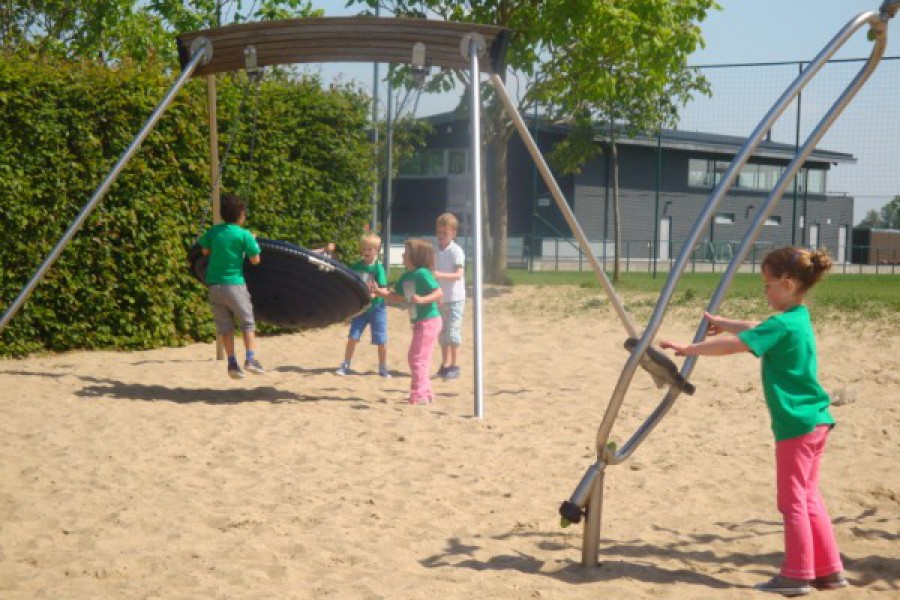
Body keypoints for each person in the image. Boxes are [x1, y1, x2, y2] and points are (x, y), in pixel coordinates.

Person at [659, 247, 845, 597]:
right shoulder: (797, 317)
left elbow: (736, 345)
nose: (765, 291)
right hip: (817, 420)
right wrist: (724, 322)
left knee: (791, 502)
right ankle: (829, 570)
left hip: (795, 424)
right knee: (809, 498)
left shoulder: (782, 324)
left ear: (787, 284)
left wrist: (689, 347)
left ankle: (797, 573)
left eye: (768, 285)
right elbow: (755, 328)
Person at [198, 194, 265, 380]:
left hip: (214, 286)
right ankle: (251, 359)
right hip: (234, 284)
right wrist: (251, 241)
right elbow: (256, 260)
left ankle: (232, 363)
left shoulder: (213, 232)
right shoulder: (244, 235)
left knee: (225, 327)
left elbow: (204, 251)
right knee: (247, 323)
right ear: (241, 215)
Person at [375, 238, 443, 405]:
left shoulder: (422, 273)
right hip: (420, 322)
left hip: (429, 320)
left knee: (417, 358)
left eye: (406, 253)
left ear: (416, 256)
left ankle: (419, 394)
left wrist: (422, 299)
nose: (403, 255)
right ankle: (425, 392)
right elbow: (397, 297)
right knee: (417, 357)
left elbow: (438, 293)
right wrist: (379, 292)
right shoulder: (406, 276)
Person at [335, 233, 391, 378]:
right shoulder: (356, 266)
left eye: (370, 249)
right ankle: (346, 364)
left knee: (381, 340)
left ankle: (383, 367)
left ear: (376, 250)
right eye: (364, 249)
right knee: (353, 336)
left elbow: (384, 289)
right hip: (361, 308)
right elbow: (351, 283)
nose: (366, 252)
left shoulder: (378, 268)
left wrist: (376, 293)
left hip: (377, 308)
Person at [433, 212, 466, 379]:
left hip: (455, 299)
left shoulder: (456, 251)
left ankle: (455, 364)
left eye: (445, 233)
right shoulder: (435, 251)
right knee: (442, 333)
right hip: (441, 299)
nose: (441, 236)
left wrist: (440, 275)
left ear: (453, 233)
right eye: (439, 233)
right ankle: (445, 364)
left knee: (453, 332)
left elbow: (458, 274)